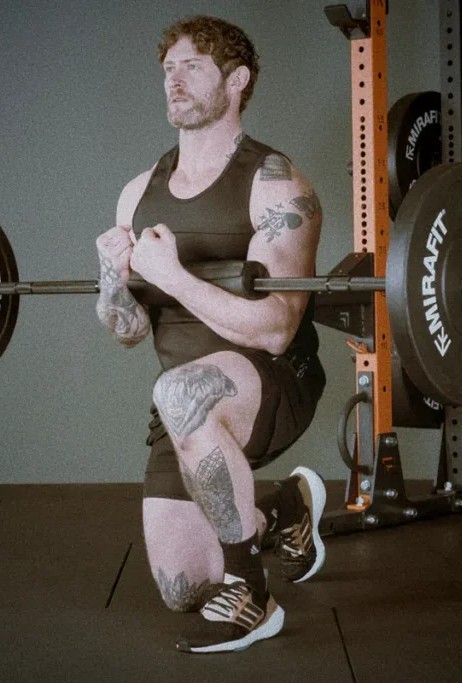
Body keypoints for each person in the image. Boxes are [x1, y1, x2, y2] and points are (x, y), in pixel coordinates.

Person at [94, 15, 327, 654]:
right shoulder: (137, 193)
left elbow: (279, 329)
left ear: (238, 79)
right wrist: (113, 284)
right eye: (168, 67)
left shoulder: (275, 183)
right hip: (184, 412)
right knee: (182, 587)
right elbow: (129, 333)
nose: (174, 78)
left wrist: (169, 274)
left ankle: (253, 596)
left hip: (273, 385)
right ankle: (284, 510)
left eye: (193, 65)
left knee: (180, 390)